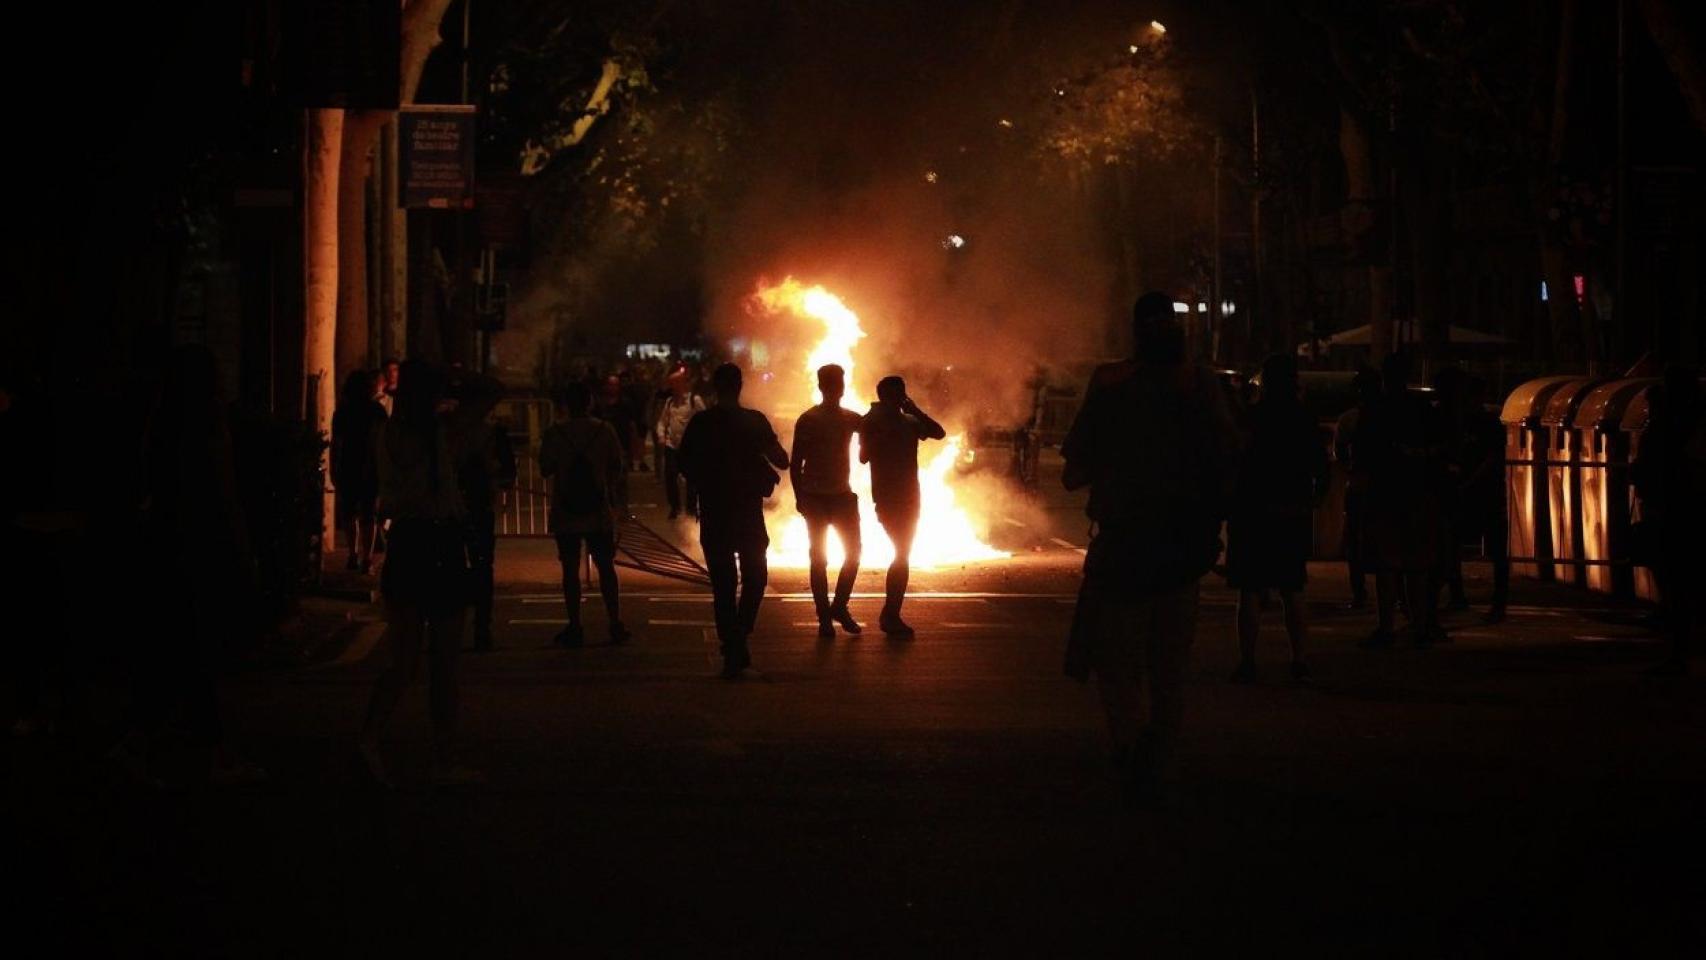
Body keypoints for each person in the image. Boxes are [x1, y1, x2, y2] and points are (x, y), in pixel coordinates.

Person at [1061, 292, 1240, 800]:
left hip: (1126, 549)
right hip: (1183, 549)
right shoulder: (1201, 385)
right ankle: (1161, 756)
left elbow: (1077, 464)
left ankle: (1130, 747)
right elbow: (1229, 452)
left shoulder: (1112, 383)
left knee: (1119, 663)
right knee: (1169, 666)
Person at [114, 344, 265, 786]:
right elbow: (223, 495)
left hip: (166, 545)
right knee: (192, 651)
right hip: (198, 548)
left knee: (176, 649)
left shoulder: (160, 422)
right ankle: (201, 750)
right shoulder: (207, 428)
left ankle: (146, 742)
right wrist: (239, 550)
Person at [359, 361, 478, 787]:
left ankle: (372, 739)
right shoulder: (434, 432)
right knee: (441, 663)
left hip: (410, 542)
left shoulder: (392, 431)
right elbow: (491, 392)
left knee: (405, 660)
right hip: (438, 541)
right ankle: (442, 759)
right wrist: (459, 378)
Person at [678, 363, 789, 678]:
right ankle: (739, 637)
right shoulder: (754, 421)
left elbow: (684, 463)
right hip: (748, 513)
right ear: (740, 386)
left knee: (723, 586)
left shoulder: (702, 423)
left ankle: (733, 642)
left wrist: (706, 481)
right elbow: (782, 460)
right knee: (755, 578)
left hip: (715, 512)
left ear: (715, 387)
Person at [1227, 355, 1328, 683]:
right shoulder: (1304, 420)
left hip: (1253, 512)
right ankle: (1299, 659)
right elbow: (1320, 467)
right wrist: (1314, 499)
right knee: (1293, 588)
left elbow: (1235, 463)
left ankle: (1248, 661)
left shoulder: (1252, 418)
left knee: (1251, 590)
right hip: (1291, 511)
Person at [1357, 351, 1449, 648]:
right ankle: (1419, 625)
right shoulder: (1421, 409)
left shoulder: (1375, 410)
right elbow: (1440, 448)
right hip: (1418, 493)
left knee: (1386, 565)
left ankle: (1387, 627)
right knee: (1417, 565)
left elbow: (1363, 455)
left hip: (1385, 493)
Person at [539, 381, 630, 648]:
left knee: (569, 568)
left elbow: (546, 468)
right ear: (590, 401)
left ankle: (575, 624)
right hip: (598, 510)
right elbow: (617, 467)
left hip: (566, 510)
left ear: (566, 405)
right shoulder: (604, 430)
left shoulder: (556, 432)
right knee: (605, 567)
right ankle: (614, 622)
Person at [859, 375, 946, 638]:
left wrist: (914, 410)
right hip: (888, 496)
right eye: (896, 395)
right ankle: (890, 614)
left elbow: (938, 432)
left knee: (903, 553)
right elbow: (863, 457)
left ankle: (892, 612)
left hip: (909, 496)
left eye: (903, 394)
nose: (900, 399)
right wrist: (884, 435)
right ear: (884, 396)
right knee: (901, 551)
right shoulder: (872, 421)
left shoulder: (909, 422)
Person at [1632, 366, 1704, 676]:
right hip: (1682, 510)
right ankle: (1680, 646)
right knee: (1683, 581)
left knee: (1676, 580)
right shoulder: (1687, 425)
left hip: (1673, 510)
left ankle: (1679, 649)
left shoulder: (1666, 428)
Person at [791, 364, 865, 638]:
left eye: (840, 382)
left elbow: (874, 427)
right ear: (824, 387)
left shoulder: (847, 418)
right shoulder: (810, 419)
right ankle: (827, 615)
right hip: (819, 498)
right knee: (820, 558)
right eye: (835, 383)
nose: (838, 388)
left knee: (850, 554)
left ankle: (836, 608)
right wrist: (801, 498)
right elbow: (795, 462)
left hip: (838, 497)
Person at [448, 372, 515, 651]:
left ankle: (461, 629)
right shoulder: (488, 433)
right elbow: (509, 471)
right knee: (480, 567)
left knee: (458, 567)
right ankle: (479, 629)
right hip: (472, 505)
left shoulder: (446, 429)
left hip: (458, 506)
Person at [1438, 370, 1509, 622]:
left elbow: (1490, 458)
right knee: (1465, 545)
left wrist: (1464, 480)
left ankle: (1492, 601)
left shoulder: (1482, 424)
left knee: (1486, 547)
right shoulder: (1475, 423)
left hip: (1479, 491)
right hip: (1478, 492)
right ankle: (1482, 599)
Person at [1334, 368, 1381, 609]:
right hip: (1384, 487)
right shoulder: (1387, 416)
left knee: (1355, 539)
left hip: (1359, 484)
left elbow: (1340, 452)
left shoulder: (1349, 419)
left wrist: (1350, 468)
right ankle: (1395, 597)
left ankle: (1360, 592)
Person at [332, 370, 386, 574]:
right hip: (370, 465)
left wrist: (334, 466)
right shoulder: (377, 410)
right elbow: (382, 441)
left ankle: (353, 555)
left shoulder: (343, 411)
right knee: (369, 513)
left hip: (349, 464)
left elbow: (336, 443)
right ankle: (367, 558)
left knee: (349, 511)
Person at [655, 370, 706, 520]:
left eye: (675, 383)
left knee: (692, 479)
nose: (672, 387)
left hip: (690, 447)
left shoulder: (694, 401)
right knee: (670, 477)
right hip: (672, 446)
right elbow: (662, 422)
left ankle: (691, 508)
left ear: (684, 384)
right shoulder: (670, 402)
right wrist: (661, 436)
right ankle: (675, 507)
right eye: (671, 384)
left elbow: (705, 419)